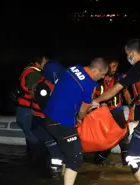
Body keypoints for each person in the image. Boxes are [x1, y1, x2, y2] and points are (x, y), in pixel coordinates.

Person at [92, 39, 140, 182]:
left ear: (133, 53)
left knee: (132, 153)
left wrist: (95, 102)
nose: (128, 58)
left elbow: (115, 90)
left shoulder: (139, 68)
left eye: (128, 54)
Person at [42, 57, 108, 185]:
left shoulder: (74, 68)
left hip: (48, 116)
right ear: (95, 70)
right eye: (102, 74)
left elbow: (70, 89)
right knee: (76, 158)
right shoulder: (89, 85)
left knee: (69, 154)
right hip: (61, 122)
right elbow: (83, 111)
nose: (102, 78)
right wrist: (79, 118)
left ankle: (61, 179)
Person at [93, 58, 132, 165]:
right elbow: (90, 96)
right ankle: (99, 160)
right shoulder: (97, 78)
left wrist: (132, 107)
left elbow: (126, 93)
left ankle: (127, 162)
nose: (114, 69)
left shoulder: (120, 78)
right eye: (112, 66)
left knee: (123, 135)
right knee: (104, 137)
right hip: (100, 112)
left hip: (116, 110)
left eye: (116, 66)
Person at [30, 60, 66, 170]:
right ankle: (56, 174)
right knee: (55, 151)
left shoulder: (53, 85)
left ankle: (54, 171)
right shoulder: (43, 88)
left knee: (57, 150)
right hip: (40, 124)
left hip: (48, 123)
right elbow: (46, 108)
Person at [14, 55, 49, 159]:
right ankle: (36, 166)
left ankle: (34, 164)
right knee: (34, 139)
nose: (47, 64)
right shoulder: (34, 74)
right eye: (45, 62)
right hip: (27, 111)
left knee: (33, 138)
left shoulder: (34, 71)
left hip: (27, 110)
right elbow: (34, 92)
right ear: (38, 63)